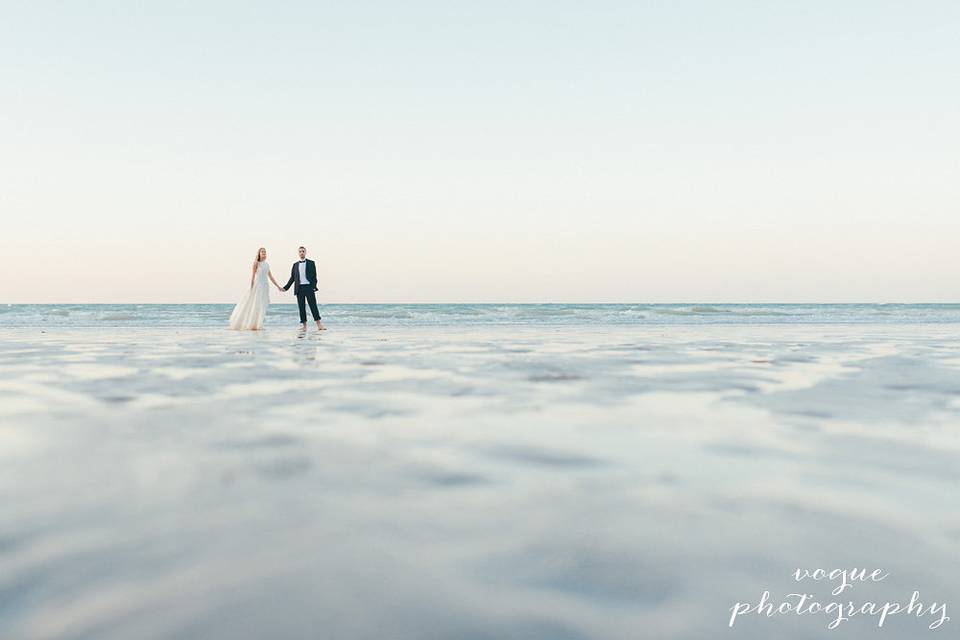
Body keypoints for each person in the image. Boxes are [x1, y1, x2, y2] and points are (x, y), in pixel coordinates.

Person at [229, 247, 283, 330]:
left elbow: (270, 276)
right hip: (258, 286)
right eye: (262, 252)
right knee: (255, 305)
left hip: (265, 287)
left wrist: (278, 286)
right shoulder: (256, 263)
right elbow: (253, 276)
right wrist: (251, 288)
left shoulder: (267, 264)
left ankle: (259, 324)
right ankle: (251, 324)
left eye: (265, 252)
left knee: (262, 305)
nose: (264, 253)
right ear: (259, 254)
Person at [283, 246, 326, 330]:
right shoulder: (295, 265)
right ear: (298, 253)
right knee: (301, 307)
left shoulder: (311, 263)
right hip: (299, 288)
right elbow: (292, 278)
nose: (301, 253)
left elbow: (314, 277)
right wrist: (285, 288)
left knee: (313, 306)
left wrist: (314, 286)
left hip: (309, 287)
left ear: (305, 252)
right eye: (300, 251)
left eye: (303, 251)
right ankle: (304, 326)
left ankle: (319, 325)